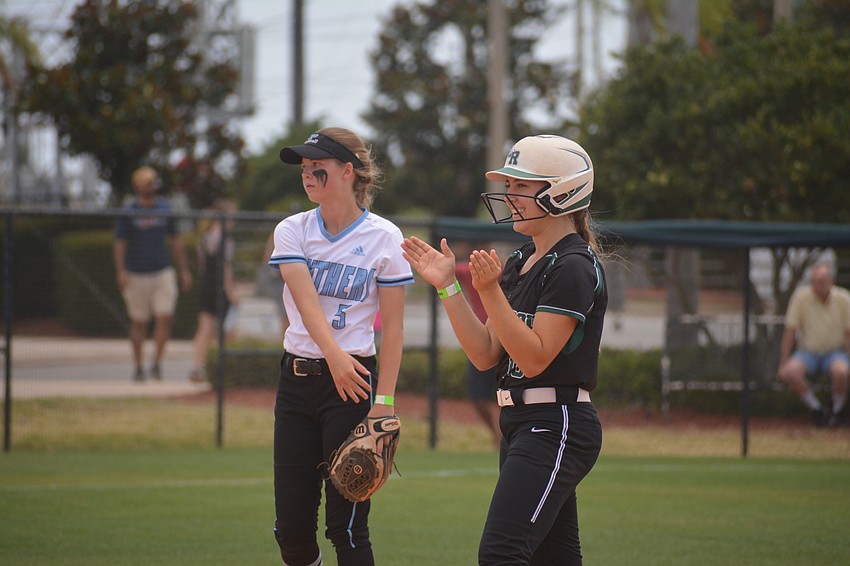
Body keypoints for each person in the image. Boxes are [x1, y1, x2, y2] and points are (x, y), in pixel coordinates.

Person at [402, 134, 606, 566]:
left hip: (557, 423)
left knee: (501, 553)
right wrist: (448, 286)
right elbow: (485, 353)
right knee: (554, 558)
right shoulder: (520, 260)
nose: (509, 195)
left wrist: (491, 291)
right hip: (522, 421)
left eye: (520, 186)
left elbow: (534, 358)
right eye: (509, 185)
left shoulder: (573, 264)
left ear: (561, 192)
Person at [269, 127, 414, 566]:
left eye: (318, 168)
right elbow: (306, 303)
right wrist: (334, 357)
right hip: (298, 382)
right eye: (303, 169)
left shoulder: (385, 237)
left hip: (353, 386)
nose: (307, 175)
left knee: (347, 528)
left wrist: (383, 403)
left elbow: (393, 330)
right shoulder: (292, 230)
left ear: (348, 171)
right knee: (291, 530)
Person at [114, 165, 192, 381]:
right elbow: (120, 243)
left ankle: (156, 364)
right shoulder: (129, 211)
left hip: (162, 271)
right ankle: (138, 367)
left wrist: (184, 270)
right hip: (135, 273)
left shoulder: (164, 208)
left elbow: (175, 241)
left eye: (153, 182)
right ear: (137, 185)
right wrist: (120, 271)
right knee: (138, 322)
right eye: (147, 182)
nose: (151, 186)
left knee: (164, 316)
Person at [778, 263, 850, 428]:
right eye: (814, 281)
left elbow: (848, 334)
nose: (817, 286)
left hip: (835, 352)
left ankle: (837, 412)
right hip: (807, 353)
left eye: (821, 281)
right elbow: (790, 331)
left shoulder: (844, 299)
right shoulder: (801, 297)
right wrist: (783, 362)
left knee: (841, 372)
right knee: (790, 371)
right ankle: (818, 411)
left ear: (831, 282)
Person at [188, 199, 240, 383]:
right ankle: (228, 370)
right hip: (219, 288)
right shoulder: (225, 239)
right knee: (229, 331)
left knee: (204, 328)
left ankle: (198, 366)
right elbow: (226, 267)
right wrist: (231, 292)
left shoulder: (204, 237)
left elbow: (203, 265)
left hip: (206, 285)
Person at [455, 259, 500, 447]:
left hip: (505, 339)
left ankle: (505, 438)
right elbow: (447, 271)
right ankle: (498, 437)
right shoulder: (470, 269)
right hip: (480, 339)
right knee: (478, 396)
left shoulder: (515, 266)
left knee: (506, 396)